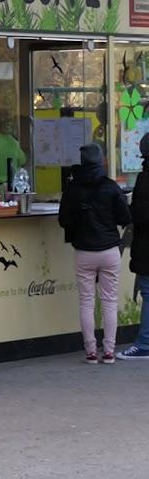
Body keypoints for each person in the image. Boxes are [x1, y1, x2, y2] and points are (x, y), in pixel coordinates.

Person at [59, 143, 131, 364]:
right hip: (110, 250)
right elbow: (124, 218)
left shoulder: (73, 189)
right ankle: (109, 352)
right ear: (101, 161)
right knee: (109, 302)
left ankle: (91, 352)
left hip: (84, 252)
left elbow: (63, 220)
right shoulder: (110, 187)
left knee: (86, 302)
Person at [118, 131, 149, 361]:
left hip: (147, 245)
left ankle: (145, 344)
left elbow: (140, 213)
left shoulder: (146, 177)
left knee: (148, 292)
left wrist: (126, 210)